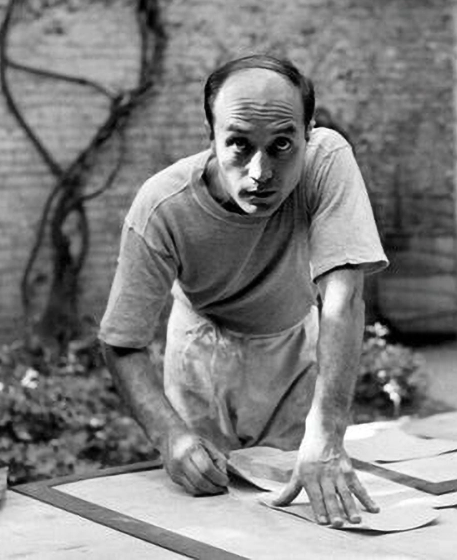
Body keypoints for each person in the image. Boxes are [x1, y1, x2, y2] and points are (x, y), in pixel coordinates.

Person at [99, 54, 388, 527]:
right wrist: (170, 436)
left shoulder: (327, 161)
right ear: (210, 136)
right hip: (201, 359)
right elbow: (122, 342)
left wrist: (327, 432)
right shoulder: (162, 207)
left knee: (303, 514)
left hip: (296, 351)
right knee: (215, 516)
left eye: (281, 145)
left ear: (308, 132)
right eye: (238, 144)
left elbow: (343, 299)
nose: (260, 172)